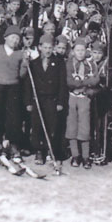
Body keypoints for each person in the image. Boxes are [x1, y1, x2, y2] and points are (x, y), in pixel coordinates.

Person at [0, 25, 29, 159]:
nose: (15, 41)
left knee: (13, 118)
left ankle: (12, 144)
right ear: (6, 38)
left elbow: (22, 75)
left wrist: (25, 62)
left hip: (13, 87)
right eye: (13, 37)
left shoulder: (20, 53)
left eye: (17, 39)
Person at [24, 34, 68, 165]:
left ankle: (50, 151)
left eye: (50, 47)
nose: (48, 50)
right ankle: (39, 151)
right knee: (37, 125)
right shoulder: (33, 63)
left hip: (52, 99)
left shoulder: (59, 63)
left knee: (52, 125)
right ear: (39, 48)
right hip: (37, 99)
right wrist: (28, 102)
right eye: (45, 47)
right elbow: (28, 84)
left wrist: (60, 102)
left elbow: (62, 84)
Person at [65, 37, 99, 168]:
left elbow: (95, 80)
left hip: (84, 97)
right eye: (77, 50)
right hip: (72, 97)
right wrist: (85, 82)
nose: (80, 53)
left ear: (86, 51)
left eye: (82, 50)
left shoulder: (90, 64)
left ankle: (85, 156)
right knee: (72, 125)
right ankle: (75, 155)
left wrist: (83, 84)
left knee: (85, 126)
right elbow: (69, 82)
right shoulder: (69, 64)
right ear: (73, 51)